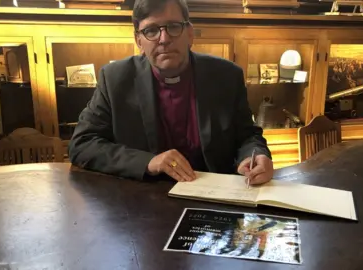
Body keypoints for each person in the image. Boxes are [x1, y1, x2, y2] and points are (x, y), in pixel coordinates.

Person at [68, 0, 274, 184]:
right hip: (142, 199)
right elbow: (82, 144)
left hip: (212, 196)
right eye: (151, 30)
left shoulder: (226, 76)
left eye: (174, 27)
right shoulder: (115, 79)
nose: (164, 38)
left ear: (190, 34)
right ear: (139, 41)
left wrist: (254, 156)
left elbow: (248, 136)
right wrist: (148, 161)